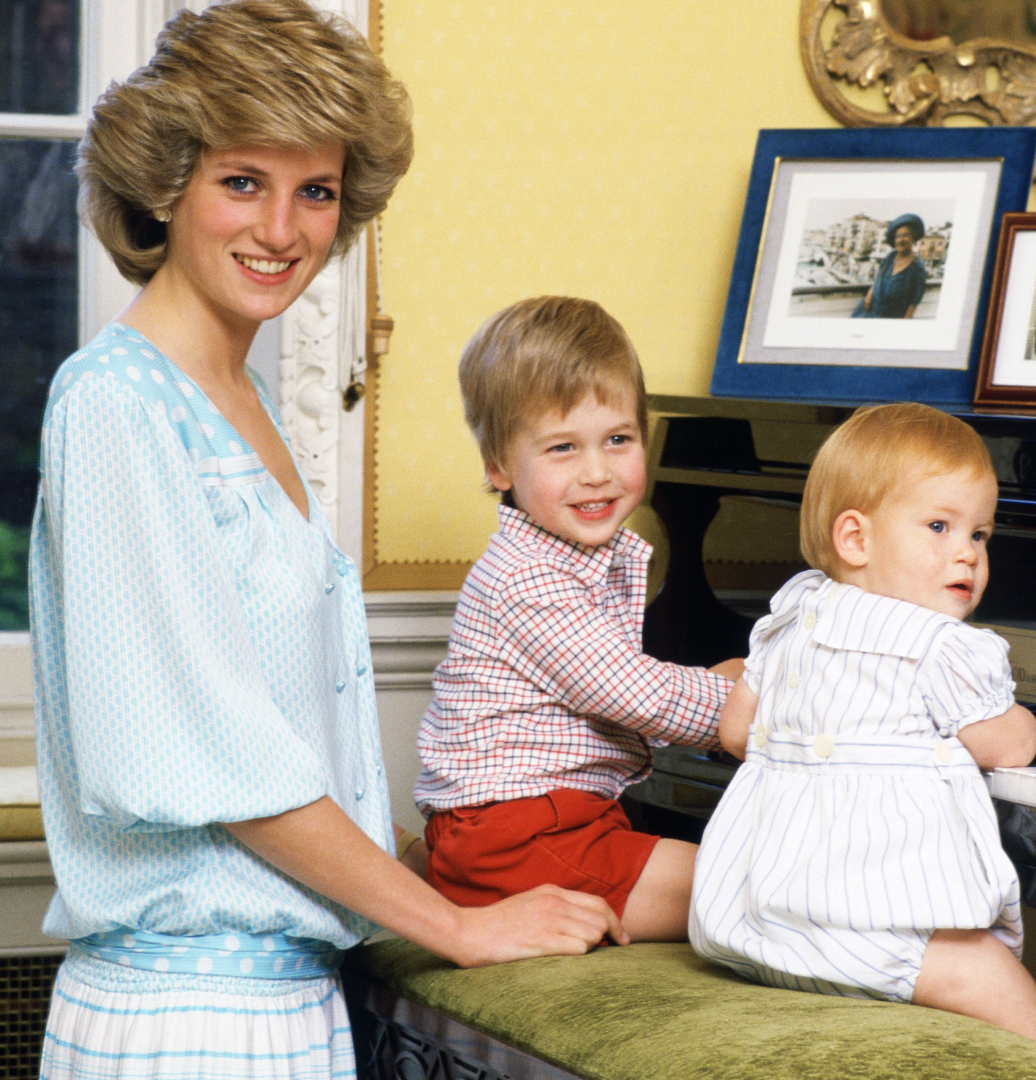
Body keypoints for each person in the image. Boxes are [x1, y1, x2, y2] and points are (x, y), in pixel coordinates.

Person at [31, 5, 626, 1078]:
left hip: (286, 1003)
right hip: (187, 1017)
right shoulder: (115, 403)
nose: (283, 230)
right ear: (167, 183)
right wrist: (455, 923)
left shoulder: (239, 397)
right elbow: (214, 759)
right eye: (243, 180)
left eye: (315, 191)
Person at [689, 403, 1036, 1052]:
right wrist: (1028, 721)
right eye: (939, 525)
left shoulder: (790, 615)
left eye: (979, 534)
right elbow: (1008, 745)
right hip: (881, 929)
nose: (967, 553)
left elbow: (732, 732)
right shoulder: (942, 647)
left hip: (753, 920)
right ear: (855, 539)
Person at [414, 296, 743, 942]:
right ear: (499, 466)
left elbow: (628, 689)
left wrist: (721, 690)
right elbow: (631, 691)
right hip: (518, 836)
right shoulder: (528, 578)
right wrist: (738, 705)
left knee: (741, 877)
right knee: (750, 888)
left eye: (618, 439)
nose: (597, 473)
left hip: (554, 822)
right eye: (563, 447)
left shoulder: (573, 556)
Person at [852, 213, 928, 319]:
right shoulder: (890, 257)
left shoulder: (917, 268)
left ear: (913, 238)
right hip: (869, 310)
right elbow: (879, 278)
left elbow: (914, 302)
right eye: (898, 237)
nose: (900, 240)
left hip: (891, 317)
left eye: (905, 235)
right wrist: (869, 295)